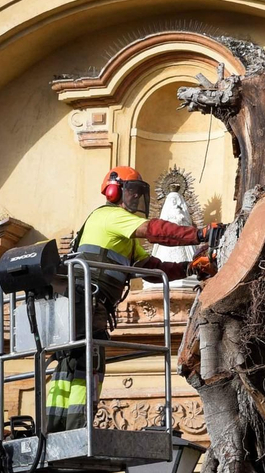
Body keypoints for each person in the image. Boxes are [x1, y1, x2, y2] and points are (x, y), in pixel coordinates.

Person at [44, 165, 220, 432]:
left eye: (139, 193)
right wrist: (199, 235)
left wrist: (190, 268)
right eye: (131, 191)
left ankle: (56, 429)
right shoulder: (109, 216)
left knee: (72, 362)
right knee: (88, 363)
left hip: (86, 303)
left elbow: (152, 269)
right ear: (113, 191)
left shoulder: (123, 236)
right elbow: (155, 230)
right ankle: (76, 430)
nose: (136, 198)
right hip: (85, 301)